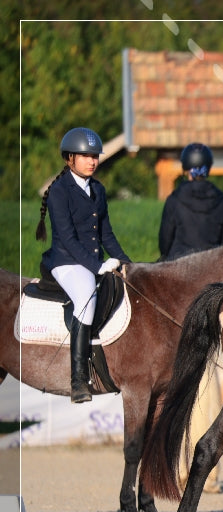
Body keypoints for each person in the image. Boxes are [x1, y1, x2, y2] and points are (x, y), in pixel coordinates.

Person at [34, 127, 131, 404]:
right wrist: (97, 266)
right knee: (87, 298)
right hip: (65, 261)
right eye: (86, 156)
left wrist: (127, 264)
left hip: (90, 260)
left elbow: (106, 234)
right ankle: (78, 379)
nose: (92, 161)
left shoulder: (98, 190)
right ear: (69, 159)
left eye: (95, 156)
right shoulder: (59, 192)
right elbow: (67, 238)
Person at [158, 143, 223, 261]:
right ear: (208, 167)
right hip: (212, 265)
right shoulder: (222, 200)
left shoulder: (174, 199)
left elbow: (165, 243)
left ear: (185, 167)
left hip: (177, 266)